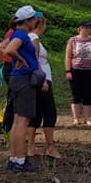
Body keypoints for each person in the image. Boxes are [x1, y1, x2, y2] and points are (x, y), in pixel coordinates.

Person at [1, 5, 41, 172]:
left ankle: (14, 158)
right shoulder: (22, 35)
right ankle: (19, 160)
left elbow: (4, 48)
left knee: (18, 121)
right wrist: (20, 59)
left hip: (19, 80)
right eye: (34, 19)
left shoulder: (17, 34)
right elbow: (9, 50)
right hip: (24, 80)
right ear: (28, 21)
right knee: (22, 122)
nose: (36, 22)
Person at [27, 12, 61, 159]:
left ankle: (31, 148)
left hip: (38, 80)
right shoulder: (34, 38)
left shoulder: (31, 38)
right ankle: (50, 147)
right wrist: (44, 80)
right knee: (49, 112)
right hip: (42, 81)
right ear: (41, 24)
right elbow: (35, 61)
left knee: (36, 114)